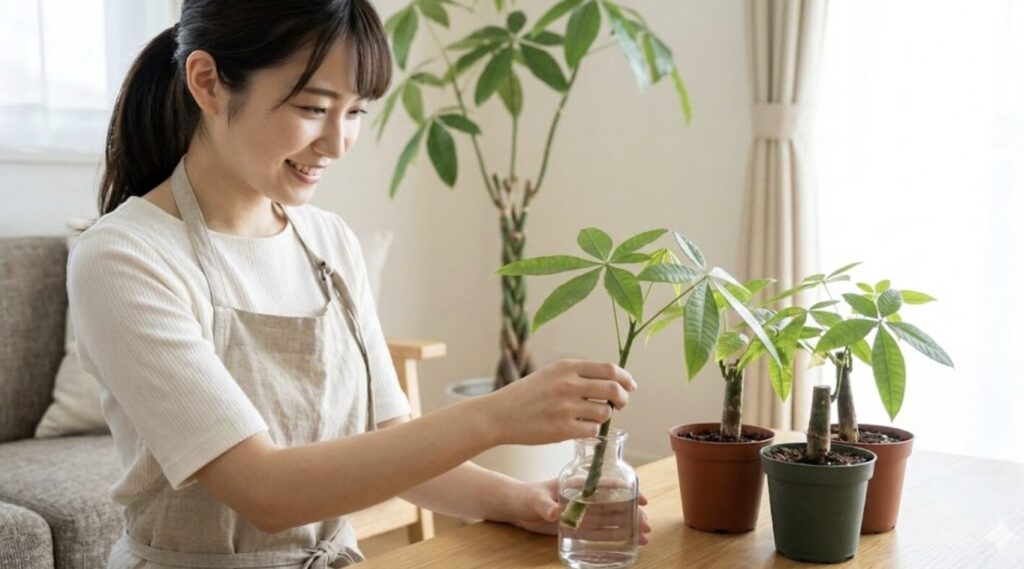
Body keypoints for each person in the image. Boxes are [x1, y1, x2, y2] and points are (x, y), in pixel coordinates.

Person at [67, 1, 651, 567]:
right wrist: (496, 416)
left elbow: (391, 438)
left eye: (355, 112)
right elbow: (264, 490)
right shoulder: (124, 256)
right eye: (315, 108)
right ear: (208, 82)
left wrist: (524, 501)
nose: (338, 143)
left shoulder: (328, 240)